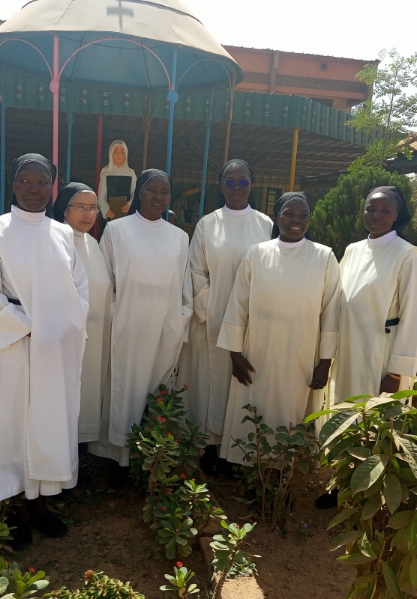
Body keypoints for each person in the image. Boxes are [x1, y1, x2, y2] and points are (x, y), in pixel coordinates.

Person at [0, 154, 89, 546]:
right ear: (14, 184)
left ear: (52, 186)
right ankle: (15, 508)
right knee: (11, 425)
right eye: (26, 180)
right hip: (14, 349)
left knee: (47, 422)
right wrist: (32, 326)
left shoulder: (62, 234)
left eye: (42, 181)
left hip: (54, 350)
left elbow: (79, 292)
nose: (34, 188)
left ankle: (40, 503)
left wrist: (61, 327)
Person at [316, 186, 417, 509]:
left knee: (375, 420)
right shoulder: (352, 250)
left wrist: (397, 371)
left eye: (385, 210)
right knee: (342, 412)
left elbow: (410, 317)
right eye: (370, 209)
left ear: (398, 215)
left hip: (381, 351)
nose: (376, 216)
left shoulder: (407, 255)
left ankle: (370, 494)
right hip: (349, 348)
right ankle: (339, 484)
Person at [216, 192, 341, 466]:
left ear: (310, 220)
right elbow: (238, 304)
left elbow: (332, 311)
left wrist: (325, 362)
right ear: (276, 217)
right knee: (255, 407)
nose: (296, 221)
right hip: (258, 351)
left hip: (302, 354)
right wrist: (235, 354)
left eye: (302, 216)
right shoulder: (257, 253)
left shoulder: (324, 256)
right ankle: (252, 467)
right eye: (289, 214)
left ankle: (283, 470)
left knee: (291, 410)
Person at [90, 169, 192, 482]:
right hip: (126, 327)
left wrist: (179, 321)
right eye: (152, 190)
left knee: (155, 390)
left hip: (163, 328)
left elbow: (185, 287)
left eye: (165, 191)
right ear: (140, 193)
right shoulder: (116, 231)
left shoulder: (179, 237)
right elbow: (104, 279)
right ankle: (117, 457)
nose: (158, 197)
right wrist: (116, 317)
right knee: (124, 389)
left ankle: (148, 457)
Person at [178, 160, 273, 475]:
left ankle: (239, 448)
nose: (236, 187)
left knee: (242, 385)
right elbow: (195, 271)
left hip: (252, 321)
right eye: (229, 181)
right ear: (221, 186)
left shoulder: (265, 224)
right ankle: (209, 446)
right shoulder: (208, 223)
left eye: (242, 181)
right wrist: (212, 312)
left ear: (251, 185)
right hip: (213, 320)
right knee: (211, 386)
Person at [52, 183, 112, 445]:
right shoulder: (55, 240)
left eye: (93, 208)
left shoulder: (92, 242)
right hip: (67, 337)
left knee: (88, 387)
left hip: (96, 336)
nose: (88, 214)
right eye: (81, 207)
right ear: (64, 210)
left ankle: (81, 445)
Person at [97, 140, 137, 220]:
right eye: (116, 151)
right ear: (111, 153)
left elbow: (135, 193)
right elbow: (101, 195)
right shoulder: (106, 172)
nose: (119, 155)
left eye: (122, 152)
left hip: (127, 215)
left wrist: (129, 205)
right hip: (110, 215)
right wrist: (107, 210)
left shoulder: (130, 173)